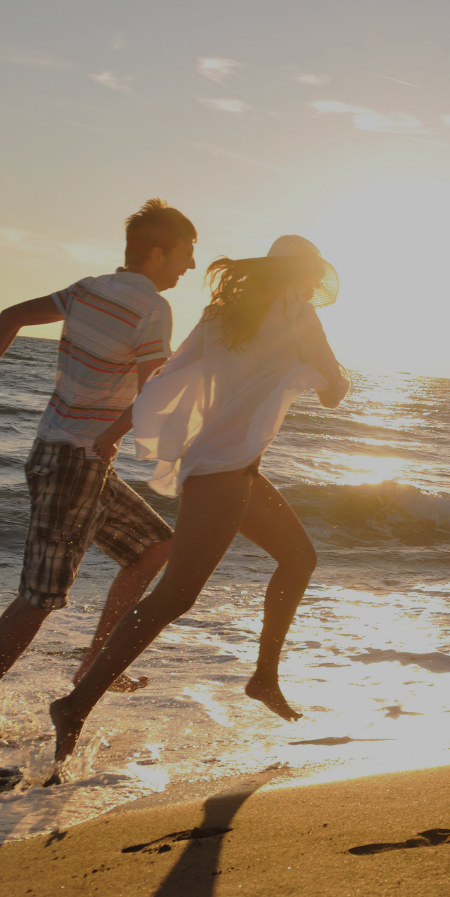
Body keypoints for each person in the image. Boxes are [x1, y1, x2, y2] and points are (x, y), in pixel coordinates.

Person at [47, 236, 349, 776]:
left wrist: (120, 429)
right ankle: (76, 704)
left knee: (299, 558)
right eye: (308, 276)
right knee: (175, 597)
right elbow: (336, 390)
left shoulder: (221, 313)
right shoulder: (297, 312)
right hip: (224, 470)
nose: (308, 287)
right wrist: (312, 373)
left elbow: (167, 376)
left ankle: (264, 677)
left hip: (222, 464)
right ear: (301, 276)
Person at [0, 200, 196, 746]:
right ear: (157, 251)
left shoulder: (88, 288)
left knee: (154, 549)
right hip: (75, 460)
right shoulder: (152, 308)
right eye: (186, 255)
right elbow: (154, 395)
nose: (188, 268)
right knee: (40, 597)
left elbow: (9, 317)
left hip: (72, 458)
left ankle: (97, 665)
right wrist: (113, 435)